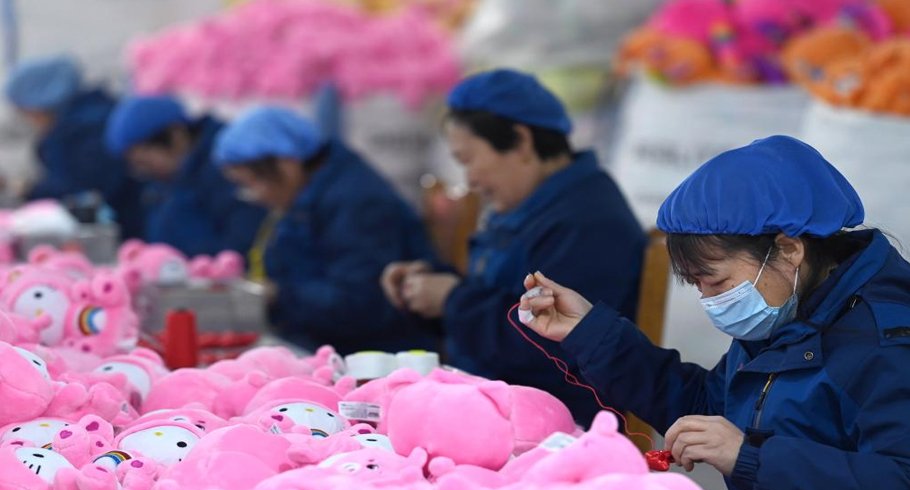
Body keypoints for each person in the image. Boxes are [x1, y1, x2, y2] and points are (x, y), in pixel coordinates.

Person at [519, 135, 910, 490]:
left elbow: (900, 481)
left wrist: (749, 456)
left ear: (789, 249)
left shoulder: (885, 341)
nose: (709, 299)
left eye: (716, 280)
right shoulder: (792, 312)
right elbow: (712, 406)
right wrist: (588, 331)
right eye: (697, 284)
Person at [380, 69, 647, 426]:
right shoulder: (533, 205)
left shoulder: (588, 221)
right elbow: (499, 296)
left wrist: (452, 299)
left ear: (521, 141)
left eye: (469, 159)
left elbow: (542, 345)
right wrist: (429, 289)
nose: (470, 180)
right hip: (494, 399)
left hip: (553, 423)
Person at [213, 106, 437, 354]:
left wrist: (280, 294)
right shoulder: (304, 198)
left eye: (251, 184)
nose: (253, 197)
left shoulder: (356, 203)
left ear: (286, 165)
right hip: (322, 343)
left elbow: (359, 303)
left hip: (374, 354)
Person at [105, 95, 267, 258]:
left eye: (144, 162)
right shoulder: (166, 181)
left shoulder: (226, 169)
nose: (142, 172)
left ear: (175, 135)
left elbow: (243, 242)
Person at [4, 54, 144, 239]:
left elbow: (78, 192)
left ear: (41, 103)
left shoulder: (80, 133)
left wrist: (29, 192)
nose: (29, 120)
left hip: (120, 232)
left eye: (26, 111)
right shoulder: (93, 117)